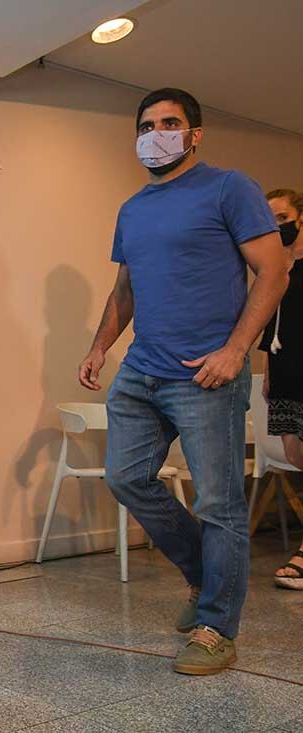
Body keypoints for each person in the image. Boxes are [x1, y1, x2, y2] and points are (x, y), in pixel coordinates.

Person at [79, 88, 289, 675]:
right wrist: (100, 347)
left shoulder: (230, 188)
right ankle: (205, 577)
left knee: (219, 504)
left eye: (169, 123)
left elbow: (273, 272)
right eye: (147, 125)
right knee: (125, 478)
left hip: (206, 375)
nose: (156, 133)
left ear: (194, 134)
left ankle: (217, 628)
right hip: (143, 370)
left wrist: (235, 351)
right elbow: (127, 289)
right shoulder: (134, 208)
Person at [262, 188, 303, 589]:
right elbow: (266, 321)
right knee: (294, 455)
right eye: (269, 218)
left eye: (283, 217)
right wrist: (268, 372)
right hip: (285, 373)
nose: (277, 225)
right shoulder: (274, 268)